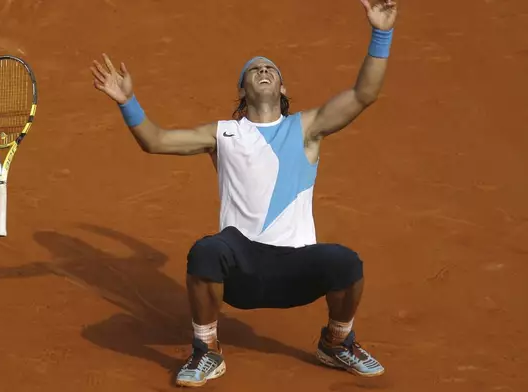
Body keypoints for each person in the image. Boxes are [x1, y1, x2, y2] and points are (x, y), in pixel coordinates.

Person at [90, 0, 398, 387]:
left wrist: (381, 33)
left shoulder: (306, 127)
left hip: (297, 266)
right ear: (242, 88)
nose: (263, 70)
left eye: (271, 68)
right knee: (207, 250)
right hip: (242, 268)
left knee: (346, 263)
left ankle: (337, 342)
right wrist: (127, 102)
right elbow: (155, 140)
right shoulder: (222, 135)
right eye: (254, 69)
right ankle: (207, 350)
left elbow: (363, 94)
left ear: (283, 86)